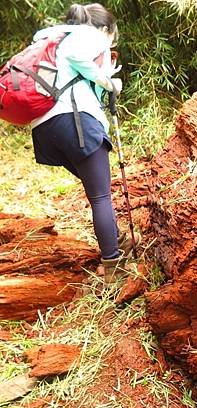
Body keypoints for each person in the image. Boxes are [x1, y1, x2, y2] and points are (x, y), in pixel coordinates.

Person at [30, 3, 138, 283]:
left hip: (46, 127)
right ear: (106, 30)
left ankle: (115, 238)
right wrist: (108, 82)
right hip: (76, 121)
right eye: (112, 38)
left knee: (96, 188)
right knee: (101, 196)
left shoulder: (52, 39)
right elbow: (81, 58)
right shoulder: (89, 35)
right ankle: (115, 268)